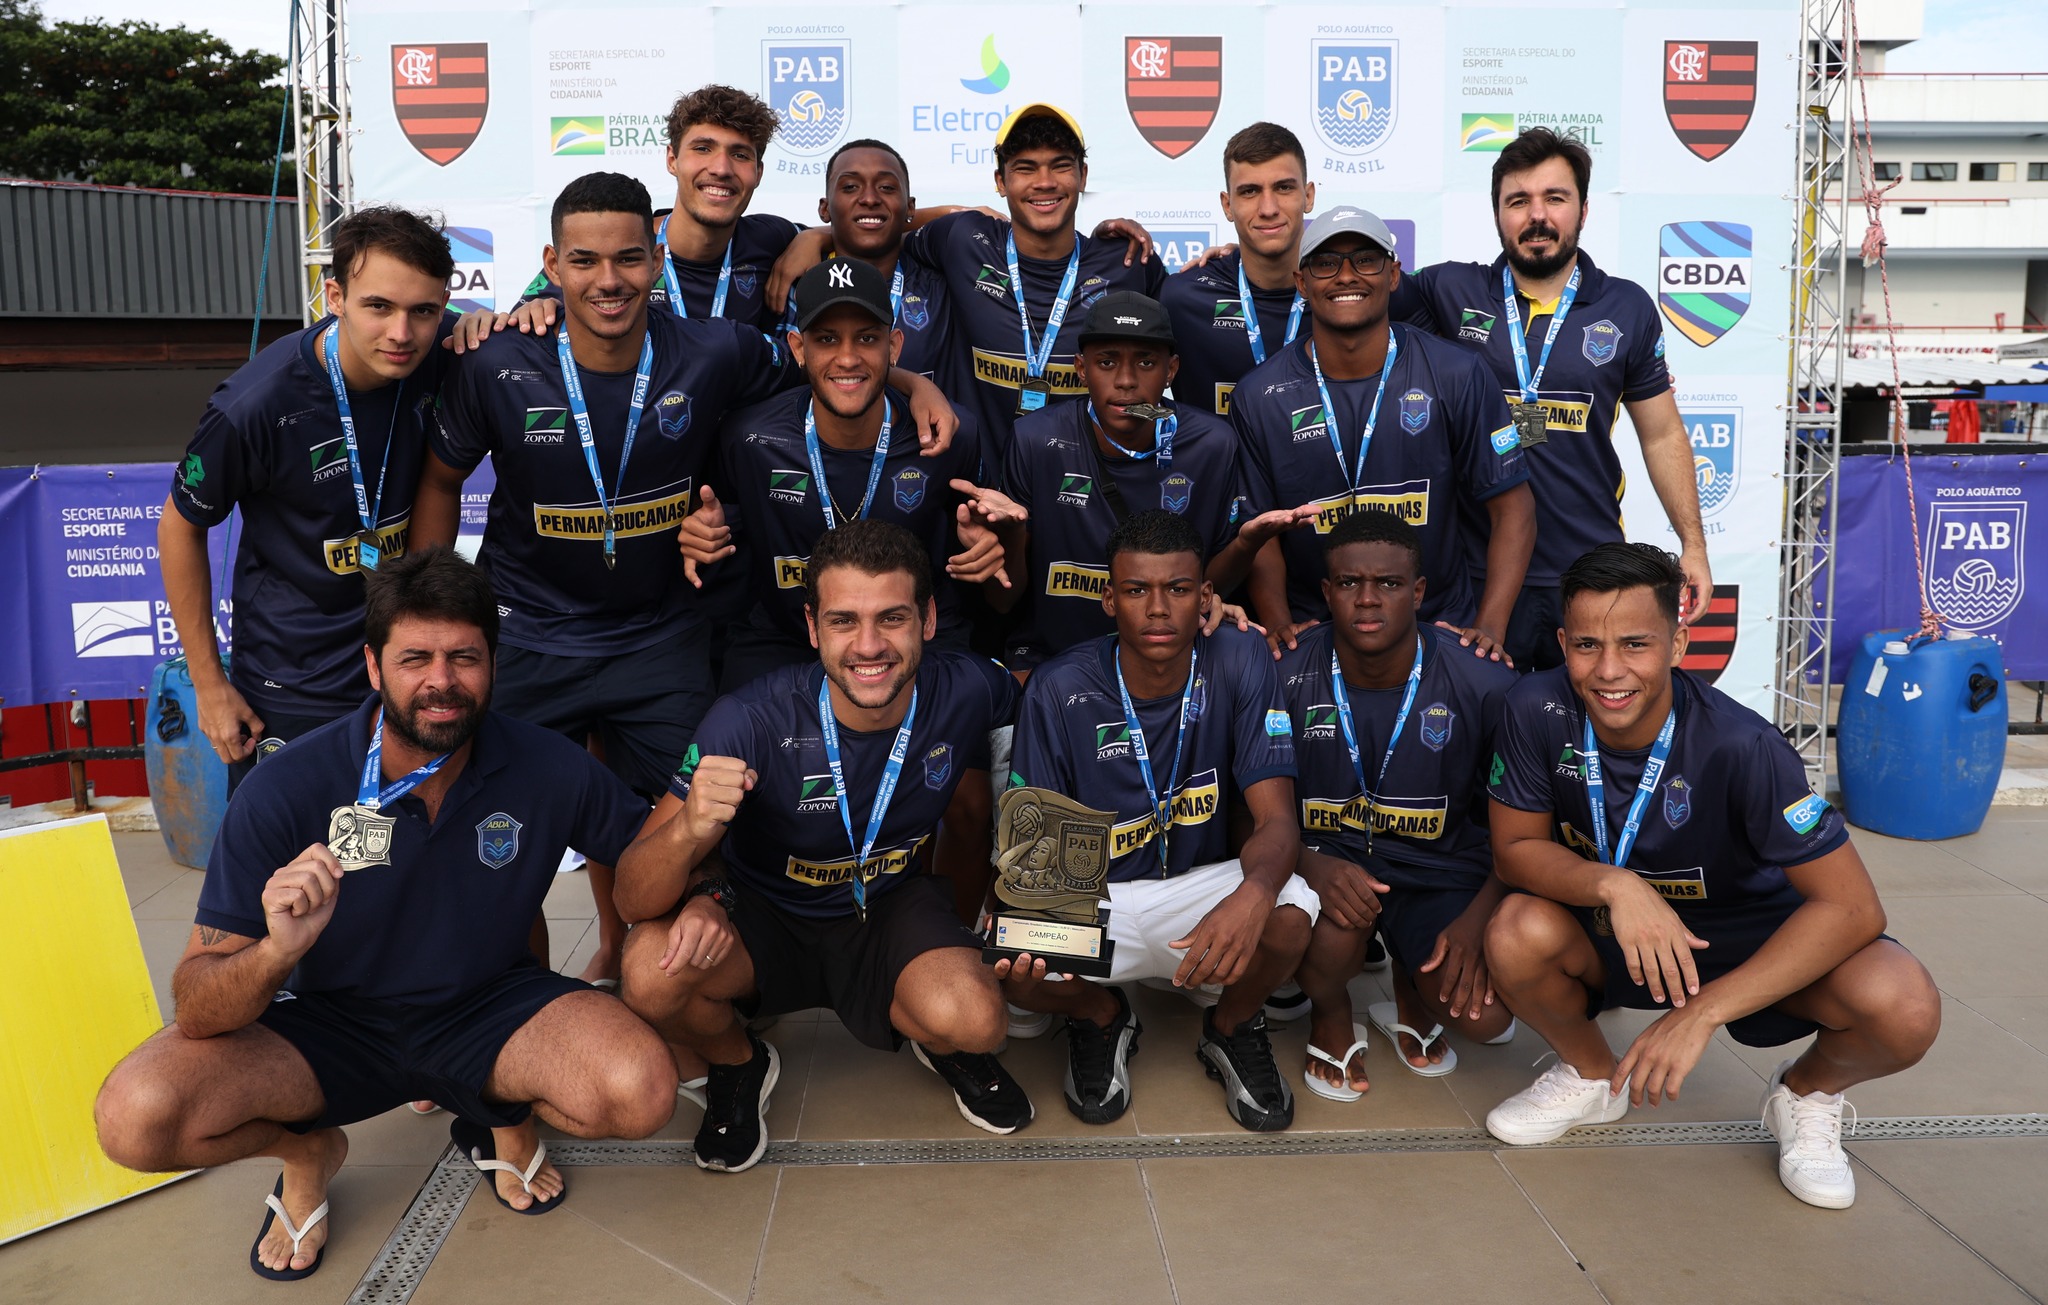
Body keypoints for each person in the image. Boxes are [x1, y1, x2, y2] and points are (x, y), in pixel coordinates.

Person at [93, 548, 677, 1280]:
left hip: (490, 1009)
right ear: (373, 667)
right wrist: (276, 951)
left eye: (464, 655)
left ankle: (500, 1108)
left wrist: (705, 881)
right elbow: (198, 1005)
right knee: (133, 1116)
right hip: (332, 1023)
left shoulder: (549, 764)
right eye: (415, 658)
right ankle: (308, 1149)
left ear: (493, 664)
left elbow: (653, 854)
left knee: (642, 1088)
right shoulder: (284, 787)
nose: (441, 680)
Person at [1481, 542, 1940, 1209]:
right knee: (1515, 930)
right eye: (1586, 645)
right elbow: (1514, 849)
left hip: (1747, 940)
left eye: (1635, 643)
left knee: (1906, 1005)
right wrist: (1616, 884)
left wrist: (1700, 1014)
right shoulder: (1532, 707)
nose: (1609, 670)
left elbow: (1853, 909)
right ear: (1562, 641)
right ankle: (1590, 1074)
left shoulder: (1744, 744)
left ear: (1678, 641)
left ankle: (1806, 1093)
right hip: (1615, 930)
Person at [613, 521, 1028, 1172]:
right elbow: (631, 894)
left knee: (978, 1020)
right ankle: (739, 1062)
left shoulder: (974, 685)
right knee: (646, 970)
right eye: (843, 621)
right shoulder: (748, 719)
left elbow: (1050, 711)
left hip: (888, 909)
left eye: (891, 617)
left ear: (927, 618)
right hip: (763, 916)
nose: (868, 645)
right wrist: (695, 838)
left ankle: (935, 1034)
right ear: (812, 628)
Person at [1000, 510, 1313, 1131]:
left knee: (1291, 909)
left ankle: (1229, 1025)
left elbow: (1276, 819)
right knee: (1016, 963)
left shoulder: (1240, 658)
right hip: (1100, 895)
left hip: (1199, 893)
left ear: (1205, 597)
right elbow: (1042, 863)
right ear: (1109, 599)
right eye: (1137, 590)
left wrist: (1252, 894)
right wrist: (1043, 935)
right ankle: (1099, 1016)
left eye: (1177, 589)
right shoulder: (1060, 686)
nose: (1158, 608)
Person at [160, 206, 482, 787]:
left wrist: (532, 310)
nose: (401, 333)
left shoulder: (444, 353)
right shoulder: (257, 404)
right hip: (293, 682)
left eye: (424, 311)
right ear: (335, 296)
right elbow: (180, 526)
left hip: (406, 672)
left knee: (405, 864)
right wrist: (209, 686)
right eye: (378, 306)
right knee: (289, 867)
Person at [1393, 129, 1711, 669]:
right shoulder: (1449, 291)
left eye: (1554, 199)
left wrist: (1694, 545)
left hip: (1590, 573)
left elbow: (1660, 434)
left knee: (1587, 739)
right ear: (1497, 213)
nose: (1537, 216)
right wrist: (1250, 257)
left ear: (1584, 210)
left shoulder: (1627, 306)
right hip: (1478, 580)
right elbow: (1351, 283)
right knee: (1483, 743)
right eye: (1518, 201)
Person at [1211, 206, 1535, 665]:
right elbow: (1264, 530)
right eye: (1326, 263)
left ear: (1394, 274)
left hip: (1439, 628)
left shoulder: (1457, 373)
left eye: (1365, 259)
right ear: (1301, 283)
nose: (1346, 276)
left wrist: (1490, 626)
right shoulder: (1259, 395)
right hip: (1315, 637)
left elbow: (1513, 507)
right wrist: (1280, 623)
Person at [1279, 509, 1517, 1100]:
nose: (1367, 600)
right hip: (1330, 863)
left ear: (1417, 593)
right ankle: (1331, 1012)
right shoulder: (1280, 671)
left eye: (1387, 584)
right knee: (1329, 935)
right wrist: (1309, 864)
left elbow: (1525, 828)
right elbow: (1242, 810)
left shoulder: (1485, 682)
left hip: (1438, 869)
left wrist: (1474, 920)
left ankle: (1411, 983)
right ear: (1326, 591)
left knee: (1484, 1021)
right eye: (1350, 584)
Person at [773, 103, 1161, 460]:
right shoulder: (963, 239)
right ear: (1000, 181)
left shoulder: (1127, 259)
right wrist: (818, 235)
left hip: (1083, 486)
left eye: (1060, 166)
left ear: (1083, 176)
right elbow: (880, 234)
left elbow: (1193, 305)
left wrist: (1224, 249)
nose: (1044, 182)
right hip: (977, 482)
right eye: (1025, 168)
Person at [696, 258, 1015, 691]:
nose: (847, 358)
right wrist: (699, 532)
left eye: (867, 338)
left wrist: (1003, 542)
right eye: (827, 339)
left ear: (895, 346)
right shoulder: (749, 437)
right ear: (798, 348)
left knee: (986, 713)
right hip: (784, 641)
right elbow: (712, 520)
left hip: (918, 645)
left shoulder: (947, 434)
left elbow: (996, 571)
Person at [986, 291, 1241, 672]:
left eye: (1145, 362)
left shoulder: (1213, 443)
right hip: (1053, 662)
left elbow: (1215, 584)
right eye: (1106, 362)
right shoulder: (1035, 439)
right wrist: (1005, 536)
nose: (1125, 381)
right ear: (1081, 368)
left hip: (1174, 660)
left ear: (1171, 371)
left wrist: (1249, 544)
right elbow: (1003, 602)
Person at [1159, 122, 1315, 418]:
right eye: (1250, 191)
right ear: (1227, 205)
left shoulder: (1346, 293)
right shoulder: (1183, 297)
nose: (1268, 208)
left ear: (1308, 196)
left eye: (1283, 187)